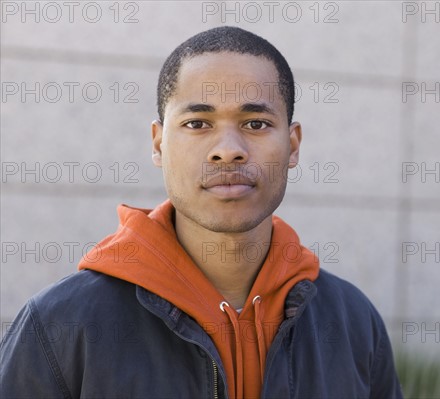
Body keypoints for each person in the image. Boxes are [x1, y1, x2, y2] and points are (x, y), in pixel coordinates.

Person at [0, 26, 403, 398]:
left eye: (257, 123)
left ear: (293, 145)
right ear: (158, 144)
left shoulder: (353, 322)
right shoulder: (60, 324)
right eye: (197, 123)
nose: (227, 148)